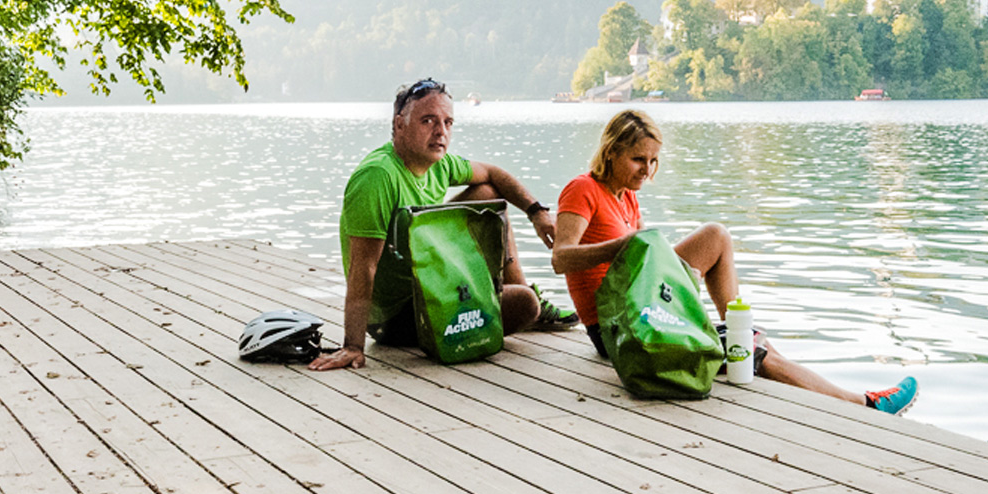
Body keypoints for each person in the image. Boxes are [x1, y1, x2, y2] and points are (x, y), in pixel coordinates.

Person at [552, 107, 919, 414]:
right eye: (637, 160)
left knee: (716, 236)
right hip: (618, 328)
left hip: (643, 308)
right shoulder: (583, 189)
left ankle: (735, 330)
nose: (647, 170)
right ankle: (864, 405)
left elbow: (643, 262)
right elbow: (561, 258)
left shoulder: (627, 197)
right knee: (749, 348)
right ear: (611, 152)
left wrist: (668, 269)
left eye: (652, 161)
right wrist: (622, 245)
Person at [309, 79, 568, 372]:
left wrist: (537, 212)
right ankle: (525, 303)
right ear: (399, 125)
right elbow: (362, 267)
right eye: (428, 121)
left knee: (488, 196)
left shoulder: (440, 164)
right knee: (524, 304)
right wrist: (353, 346)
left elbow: (494, 173)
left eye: (448, 122)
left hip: (432, 286)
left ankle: (518, 293)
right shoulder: (377, 177)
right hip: (394, 319)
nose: (440, 132)